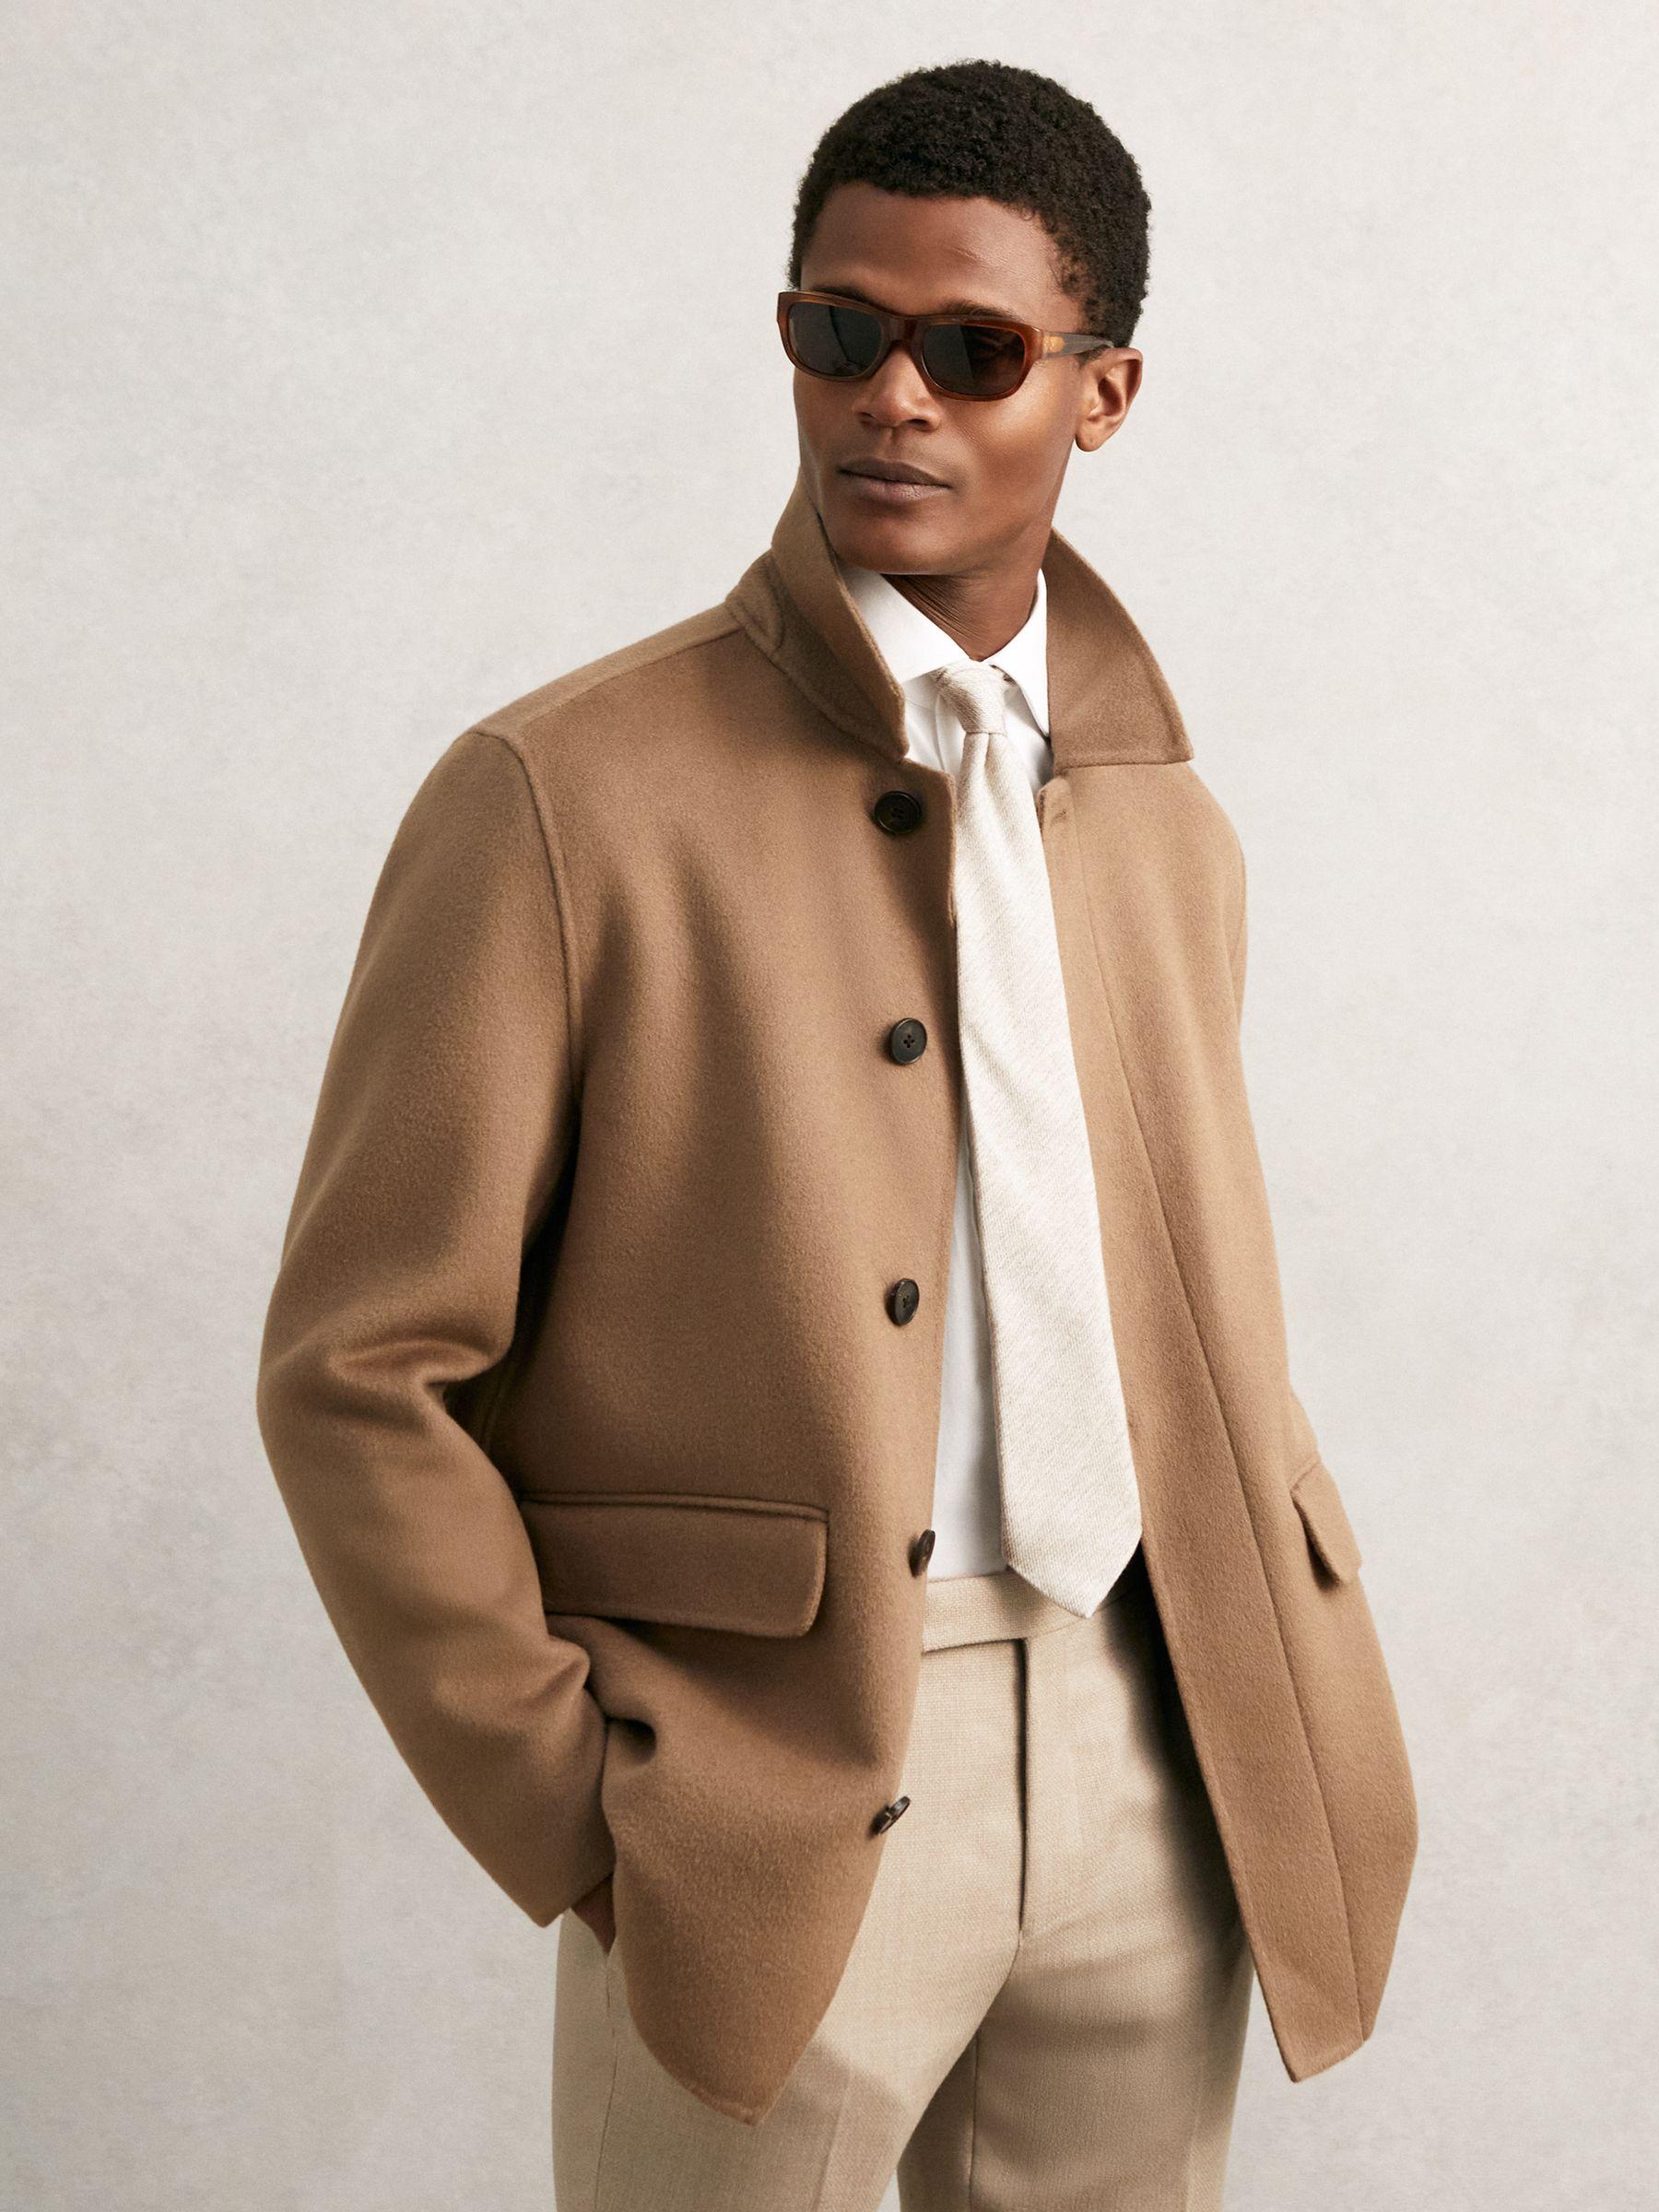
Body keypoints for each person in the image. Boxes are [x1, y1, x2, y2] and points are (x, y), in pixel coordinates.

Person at [256, 57, 1417, 2210]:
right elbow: (358, 1366)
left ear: (1103, 391)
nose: (891, 395)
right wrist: (578, 1797)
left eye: (972, 351)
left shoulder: (1167, 823)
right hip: (765, 1792)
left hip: (1159, 1736)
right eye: (838, 329)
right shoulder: (560, 797)